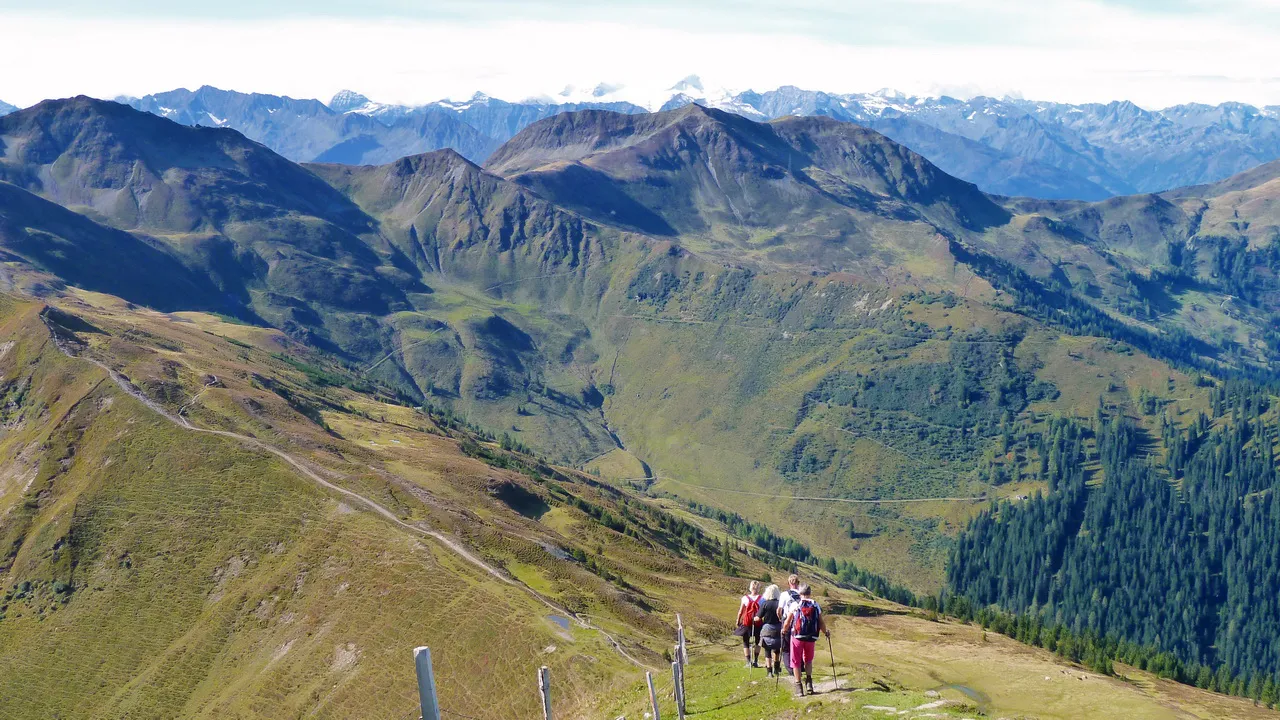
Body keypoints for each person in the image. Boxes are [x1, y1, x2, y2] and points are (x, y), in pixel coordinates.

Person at [780, 584, 829, 696]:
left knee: (796, 661)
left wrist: (784, 630)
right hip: (811, 637)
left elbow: (788, 621)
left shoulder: (795, 604)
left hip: (797, 636)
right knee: (808, 659)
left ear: (799, 593)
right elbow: (821, 622)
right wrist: (825, 632)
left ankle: (799, 688)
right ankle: (809, 683)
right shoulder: (815, 604)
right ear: (810, 593)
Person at [755, 584, 784, 677]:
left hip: (767, 629)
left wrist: (753, 618)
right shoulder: (780, 604)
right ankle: (776, 668)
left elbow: (758, 618)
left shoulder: (765, 604)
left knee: (767, 650)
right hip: (778, 628)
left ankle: (769, 672)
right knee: (777, 649)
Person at [734, 580, 764, 667]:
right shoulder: (762, 599)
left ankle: (748, 662)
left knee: (746, 642)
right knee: (758, 642)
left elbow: (741, 611)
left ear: (750, 588)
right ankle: (756, 661)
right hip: (758, 622)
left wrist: (738, 620)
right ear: (758, 588)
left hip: (747, 622)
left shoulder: (745, 598)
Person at [777, 574, 802, 674]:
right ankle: (800, 666)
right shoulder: (802, 594)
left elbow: (779, 610)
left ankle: (790, 669)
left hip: (787, 619)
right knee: (798, 644)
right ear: (798, 583)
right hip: (799, 621)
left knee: (786, 647)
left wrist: (780, 618)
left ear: (788, 583)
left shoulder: (784, 594)